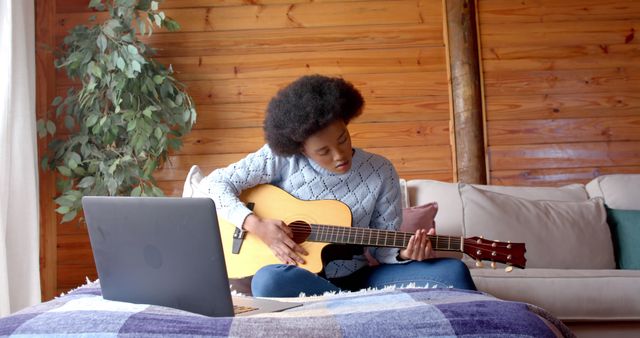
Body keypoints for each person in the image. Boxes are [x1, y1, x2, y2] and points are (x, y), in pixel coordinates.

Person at [206, 75, 476, 297]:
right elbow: (214, 185)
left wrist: (405, 253)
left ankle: (345, 304)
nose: (339, 155)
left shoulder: (380, 170)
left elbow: (384, 251)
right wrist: (257, 226)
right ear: (301, 148)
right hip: (299, 276)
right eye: (323, 151)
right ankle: (354, 306)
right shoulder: (281, 159)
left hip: (362, 278)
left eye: (343, 139)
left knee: (454, 272)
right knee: (267, 282)